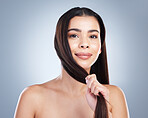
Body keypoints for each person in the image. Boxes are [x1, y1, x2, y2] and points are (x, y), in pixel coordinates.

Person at [14, 7, 129, 118]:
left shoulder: (113, 96)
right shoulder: (32, 97)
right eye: (74, 35)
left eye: (93, 36)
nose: (84, 44)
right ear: (60, 43)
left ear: (100, 48)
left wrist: (102, 111)